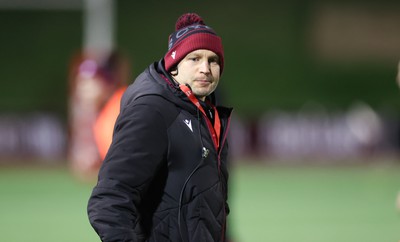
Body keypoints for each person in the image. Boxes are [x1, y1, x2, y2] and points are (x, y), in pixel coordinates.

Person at [87, 13, 233, 242]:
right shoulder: (153, 111)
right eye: (194, 58)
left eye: (213, 60)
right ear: (174, 65)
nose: (205, 68)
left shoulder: (202, 111)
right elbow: (110, 200)